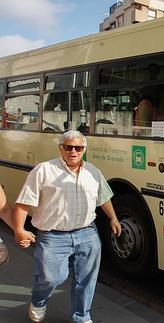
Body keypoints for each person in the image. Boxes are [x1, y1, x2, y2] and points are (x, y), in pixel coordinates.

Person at [12, 130, 122, 323]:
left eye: (78, 148)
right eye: (68, 147)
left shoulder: (93, 172)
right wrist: (19, 229)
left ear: (84, 149)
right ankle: (39, 300)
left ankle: (82, 316)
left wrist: (113, 218)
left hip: (87, 233)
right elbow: (23, 203)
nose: (73, 151)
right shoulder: (43, 170)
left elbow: (103, 197)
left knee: (86, 279)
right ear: (60, 148)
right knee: (52, 278)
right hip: (52, 236)